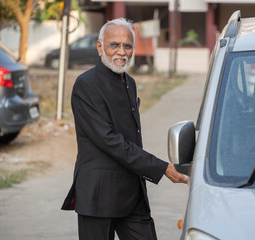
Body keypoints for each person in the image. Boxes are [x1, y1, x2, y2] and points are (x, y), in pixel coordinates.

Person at [61, 18, 188, 240]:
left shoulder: (129, 81)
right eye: (114, 45)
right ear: (100, 47)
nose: (122, 51)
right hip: (99, 197)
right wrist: (162, 168)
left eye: (127, 45)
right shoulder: (86, 85)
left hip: (132, 193)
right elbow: (110, 141)